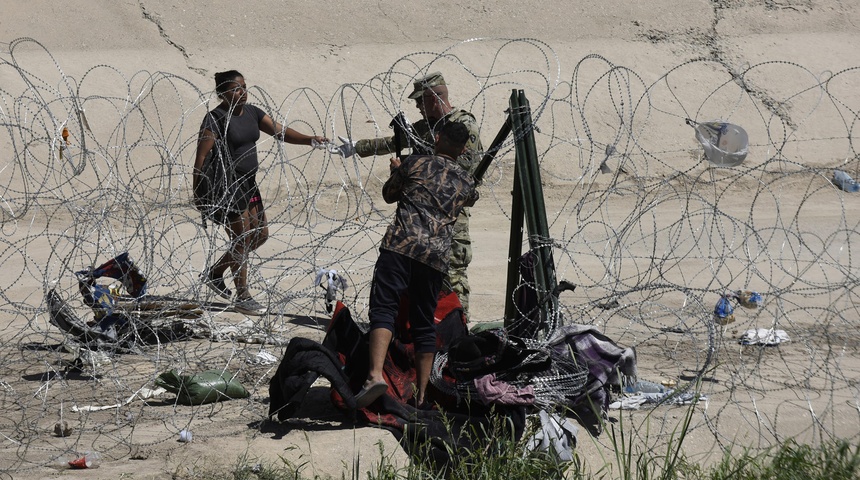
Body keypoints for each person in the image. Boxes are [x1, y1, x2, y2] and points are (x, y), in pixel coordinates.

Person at [332, 72, 483, 319]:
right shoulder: (426, 128)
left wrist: (415, 166)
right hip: (421, 214)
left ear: (434, 98)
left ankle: (460, 327)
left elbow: (465, 169)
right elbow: (395, 141)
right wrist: (357, 147)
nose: (417, 107)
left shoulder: (462, 126)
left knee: (453, 273)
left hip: (450, 212)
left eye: (420, 101)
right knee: (424, 275)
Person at [354, 121, 479, 409]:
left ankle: (374, 376)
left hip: (401, 246)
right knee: (424, 323)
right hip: (435, 257)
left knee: (384, 308)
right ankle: (422, 394)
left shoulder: (415, 164)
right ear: (462, 150)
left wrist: (397, 170)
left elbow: (389, 194)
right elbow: (468, 198)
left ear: (437, 138)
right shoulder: (466, 181)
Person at [194, 70, 328, 316]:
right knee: (242, 238)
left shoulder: (253, 113)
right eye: (236, 89)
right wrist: (199, 193)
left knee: (260, 234)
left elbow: (281, 131)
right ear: (222, 93)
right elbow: (201, 156)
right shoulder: (215, 118)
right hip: (227, 185)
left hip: (249, 183)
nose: (243, 93)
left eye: (244, 87)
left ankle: (215, 272)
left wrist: (310, 140)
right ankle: (243, 295)